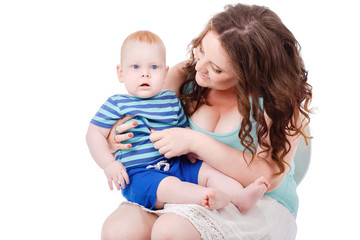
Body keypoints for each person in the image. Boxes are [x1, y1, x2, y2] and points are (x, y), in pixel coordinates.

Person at [102, 4, 312, 240]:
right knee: (119, 229)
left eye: (216, 68)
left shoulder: (278, 104)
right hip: (188, 182)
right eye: (201, 51)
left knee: (171, 231)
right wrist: (114, 139)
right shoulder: (187, 76)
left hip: (258, 202)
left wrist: (195, 142)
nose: (199, 68)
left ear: (249, 76)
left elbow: (269, 178)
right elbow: (143, 116)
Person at [86, 30, 270, 212]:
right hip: (140, 174)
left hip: (177, 163)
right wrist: (109, 164)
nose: (145, 74)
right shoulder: (117, 104)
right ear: (120, 73)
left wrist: (190, 151)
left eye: (154, 67)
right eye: (135, 67)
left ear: (165, 72)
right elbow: (93, 135)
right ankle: (205, 196)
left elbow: (183, 131)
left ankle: (240, 197)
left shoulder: (170, 100)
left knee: (207, 171)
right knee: (169, 186)